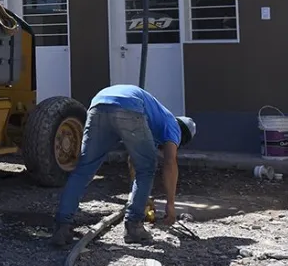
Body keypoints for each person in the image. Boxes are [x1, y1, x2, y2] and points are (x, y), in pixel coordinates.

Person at [51, 84, 196, 246]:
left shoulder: (156, 121)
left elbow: (133, 160)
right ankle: (133, 227)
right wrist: (170, 205)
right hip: (128, 106)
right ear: (183, 136)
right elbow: (170, 162)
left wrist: (140, 197)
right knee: (147, 169)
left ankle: (62, 227)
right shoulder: (173, 126)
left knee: (84, 168)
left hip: (99, 103)